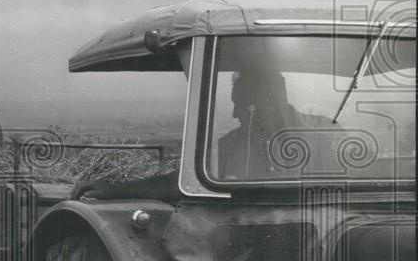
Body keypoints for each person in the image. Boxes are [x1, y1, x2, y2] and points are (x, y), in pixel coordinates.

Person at [71, 66, 337, 201]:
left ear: (263, 102)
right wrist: (115, 190)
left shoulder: (329, 135)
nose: (235, 114)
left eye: (240, 104)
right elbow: (179, 183)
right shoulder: (232, 145)